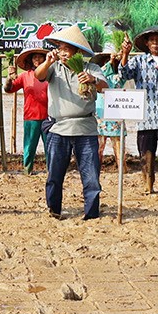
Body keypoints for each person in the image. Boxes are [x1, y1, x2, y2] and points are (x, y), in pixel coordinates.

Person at [35, 26, 109, 220]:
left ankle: (92, 213)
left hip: (86, 129)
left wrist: (93, 80)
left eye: (66, 48)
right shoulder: (54, 67)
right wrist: (48, 60)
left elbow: (105, 87)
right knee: (54, 175)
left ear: (77, 50)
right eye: (60, 48)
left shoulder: (90, 68)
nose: (62, 52)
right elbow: (39, 75)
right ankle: (54, 210)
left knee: (91, 176)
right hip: (59, 128)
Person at [110, 27, 158, 195]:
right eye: (151, 40)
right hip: (145, 112)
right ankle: (148, 188)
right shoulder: (139, 61)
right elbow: (123, 76)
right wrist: (124, 54)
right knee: (146, 152)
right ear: (146, 43)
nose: (155, 43)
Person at [4, 47, 49, 174]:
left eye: (40, 57)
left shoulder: (51, 75)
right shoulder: (25, 76)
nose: (38, 60)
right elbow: (9, 89)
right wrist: (9, 77)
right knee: (29, 146)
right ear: (31, 60)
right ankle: (27, 170)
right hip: (31, 116)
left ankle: (52, 171)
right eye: (35, 57)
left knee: (50, 147)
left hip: (49, 116)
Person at [93, 52, 125, 169]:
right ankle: (96, 167)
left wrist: (118, 59)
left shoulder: (117, 78)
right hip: (101, 113)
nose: (108, 65)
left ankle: (122, 168)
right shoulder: (99, 76)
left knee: (118, 145)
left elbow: (123, 73)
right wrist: (111, 62)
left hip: (115, 113)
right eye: (106, 62)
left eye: (111, 62)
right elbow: (101, 73)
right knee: (99, 145)